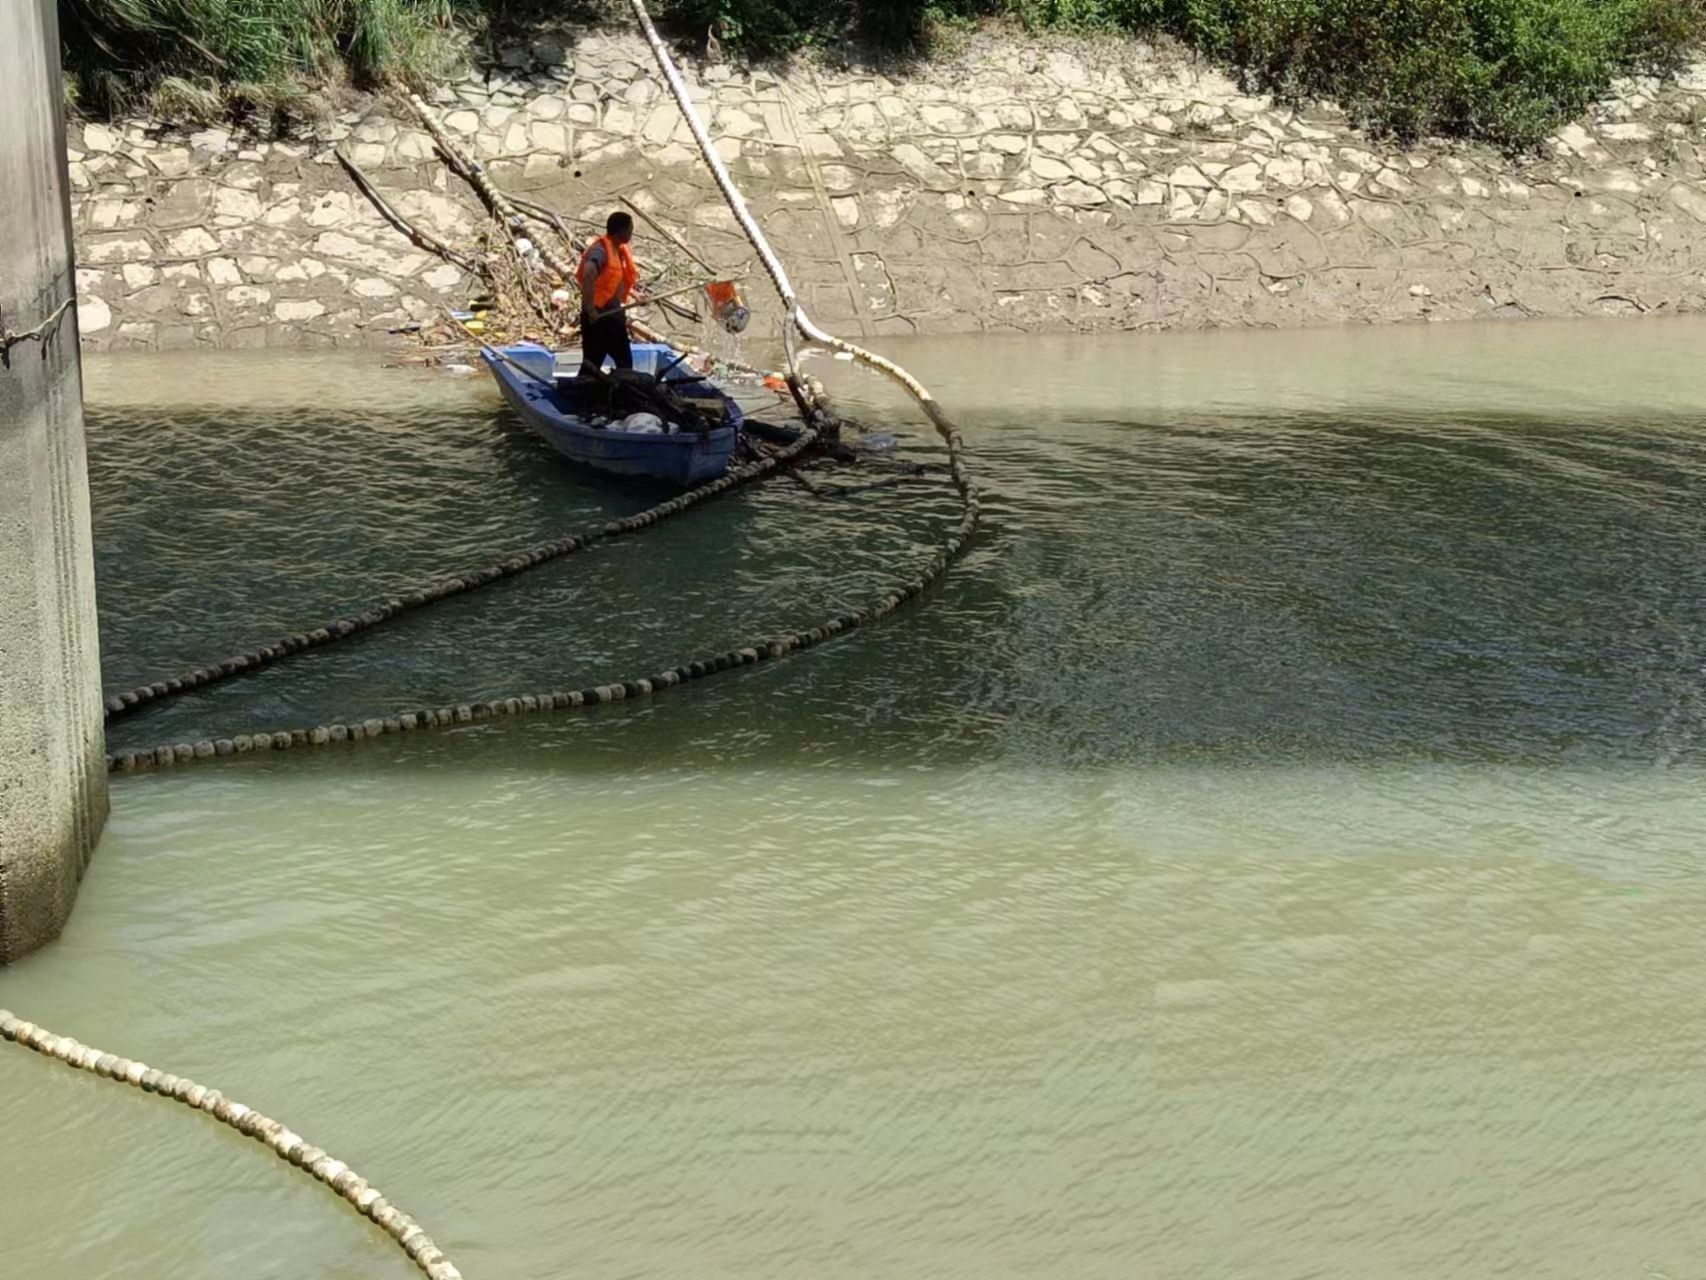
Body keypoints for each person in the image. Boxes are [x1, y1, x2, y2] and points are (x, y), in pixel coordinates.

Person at [577, 211, 644, 379]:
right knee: (594, 362)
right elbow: (589, 273)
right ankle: (579, 396)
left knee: (622, 362)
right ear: (620, 231)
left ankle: (617, 396)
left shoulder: (618, 249)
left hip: (612, 317)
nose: (631, 233)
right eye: (630, 229)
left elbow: (613, 280)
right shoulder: (601, 250)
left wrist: (635, 296)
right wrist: (591, 310)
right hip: (599, 317)